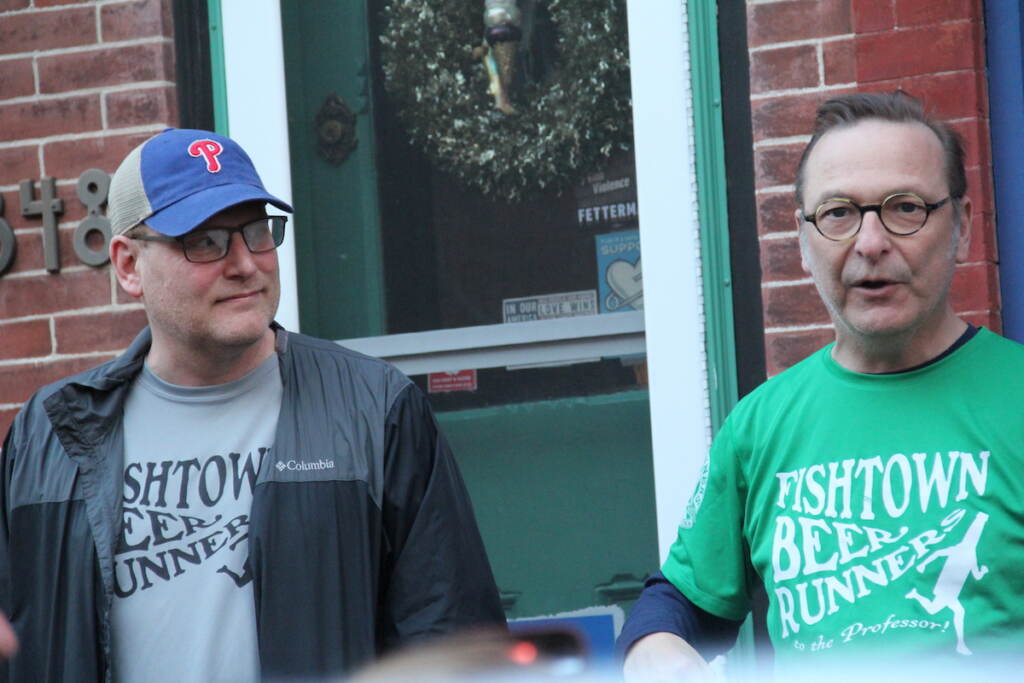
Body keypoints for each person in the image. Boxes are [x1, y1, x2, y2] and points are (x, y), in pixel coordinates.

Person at [0, 128, 505, 682]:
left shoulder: (376, 410)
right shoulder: (49, 437)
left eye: (257, 232)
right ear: (127, 264)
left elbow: (454, 645)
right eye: (206, 240)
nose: (245, 263)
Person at [618, 92, 1024, 679]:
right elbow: (683, 600)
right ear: (804, 245)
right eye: (837, 213)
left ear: (961, 229)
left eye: (904, 207)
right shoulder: (760, 427)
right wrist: (653, 647)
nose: (870, 242)